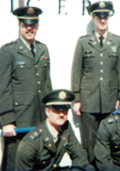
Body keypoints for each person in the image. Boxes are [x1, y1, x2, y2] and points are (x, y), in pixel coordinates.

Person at [71, 1, 120, 165]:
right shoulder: (83, 42)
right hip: (89, 101)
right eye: (99, 16)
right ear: (93, 17)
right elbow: (77, 72)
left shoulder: (118, 41)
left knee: (111, 140)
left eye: (106, 16)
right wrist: (77, 99)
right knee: (90, 143)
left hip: (110, 101)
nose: (103, 20)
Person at [0, 6, 52, 170]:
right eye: (26, 25)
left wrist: (51, 112)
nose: (30, 29)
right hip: (19, 122)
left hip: (40, 119)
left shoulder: (43, 49)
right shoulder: (8, 51)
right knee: (14, 163)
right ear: (19, 25)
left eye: (33, 25)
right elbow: (3, 88)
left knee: (39, 161)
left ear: (37, 26)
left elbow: (46, 83)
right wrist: (7, 120)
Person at [15, 89, 94, 171]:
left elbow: (79, 155)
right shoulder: (30, 143)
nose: (61, 114)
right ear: (47, 111)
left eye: (65, 110)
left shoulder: (65, 126)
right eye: (56, 110)